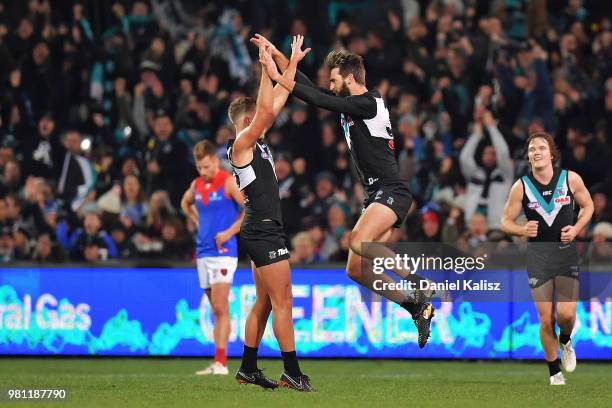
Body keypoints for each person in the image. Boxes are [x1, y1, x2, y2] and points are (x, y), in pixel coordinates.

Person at [251, 34, 435, 348]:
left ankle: (419, 283)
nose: (331, 85)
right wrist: (280, 56)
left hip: (393, 190)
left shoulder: (369, 102)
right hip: (376, 195)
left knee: (357, 241)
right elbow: (313, 89)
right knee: (355, 268)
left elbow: (320, 98)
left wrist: (281, 77)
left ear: (350, 79)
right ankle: (415, 305)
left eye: (335, 80)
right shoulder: (352, 105)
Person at [229, 36, 314, 391]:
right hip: (263, 229)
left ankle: (248, 367)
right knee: (283, 300)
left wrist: (288, 63)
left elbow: (278, 100)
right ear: (246, 120)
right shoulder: (242, 144)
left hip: (261, 227)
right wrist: (267, 69)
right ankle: (292, 371)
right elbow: (266, 110)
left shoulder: (256, 140)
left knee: (263, 302)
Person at [501, 132, 593, 385]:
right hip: (538, 257)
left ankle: (565, 340)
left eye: (541, 148)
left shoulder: (570, 179)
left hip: (565, 256)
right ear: (528, 156)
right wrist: (521, 229)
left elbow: (589, 207)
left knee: (566, 316)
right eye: (532, 149)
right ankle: (554, 371)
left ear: (551, 154)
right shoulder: (520, 186)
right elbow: (504, 221)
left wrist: (576, 229)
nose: (536, 152)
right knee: (545, 318)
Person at [181, 140, 244, 375]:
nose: (203, 172)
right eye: (200, 168)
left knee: (219, 306)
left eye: (207, 167)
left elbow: (249, 209)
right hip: (203, 252)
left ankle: (221, 363)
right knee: (216, 308)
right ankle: (218, 361)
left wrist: (228, 232)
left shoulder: (227, 182)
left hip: (224, 253)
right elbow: (184, 203)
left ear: (215, 162)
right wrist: (197, 221)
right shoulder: (196, 185)